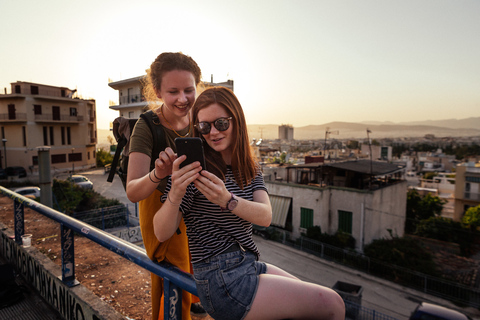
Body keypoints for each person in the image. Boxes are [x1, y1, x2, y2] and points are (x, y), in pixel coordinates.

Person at [153, 87, 346, 320]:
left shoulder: (249, 167)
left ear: (237, 121)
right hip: (221, 279)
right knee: (333, 304)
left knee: (312, 305)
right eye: (204, 126)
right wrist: (175, 190)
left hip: (248, 264)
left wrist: (227, 200)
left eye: (221, 123)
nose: (213, 132)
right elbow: (161, 232)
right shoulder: (196, 172)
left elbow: (265, 217)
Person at [126, 52, 205, 320]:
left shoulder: (201, 119)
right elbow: (133, 191)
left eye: (188, 90)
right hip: (160, 209)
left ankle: (195, 303)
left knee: (196, 264)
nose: (183, 99)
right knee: (173, 276)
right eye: (173, 92)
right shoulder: (148, 126)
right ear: (158, 91)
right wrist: (158, 174)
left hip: (196, 206)